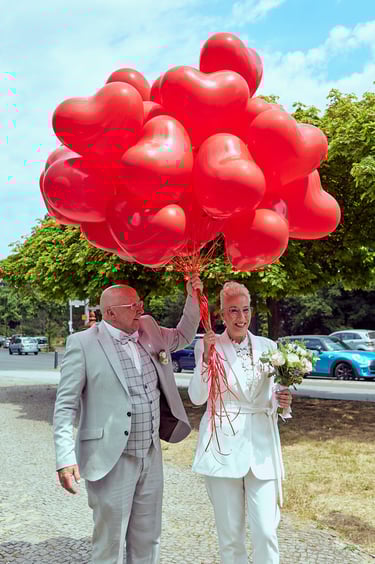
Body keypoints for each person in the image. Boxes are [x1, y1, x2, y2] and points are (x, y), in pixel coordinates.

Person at [53, 274, 203, 564]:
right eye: (133, 305)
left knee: (148, 537)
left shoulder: (149, 328)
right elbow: (65, 405)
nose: (140, 310)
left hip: (150, 453)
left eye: (140, 303)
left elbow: (184, 335)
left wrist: (193, 297)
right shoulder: (82, 343)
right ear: (110, 313)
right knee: (110, 544)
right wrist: (64, 457)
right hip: (111, 457)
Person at [188, 281, 291, 564]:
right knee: (231, 535)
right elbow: (197, 398)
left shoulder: (270, 347)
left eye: (245, 310)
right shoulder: (209, 346)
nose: (240, 317)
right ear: (221, 315)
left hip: (262, 447)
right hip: (223, 445)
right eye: (233, 311)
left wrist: (282, 403)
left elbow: (273, 398)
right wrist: (207, 361)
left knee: (266, 530)